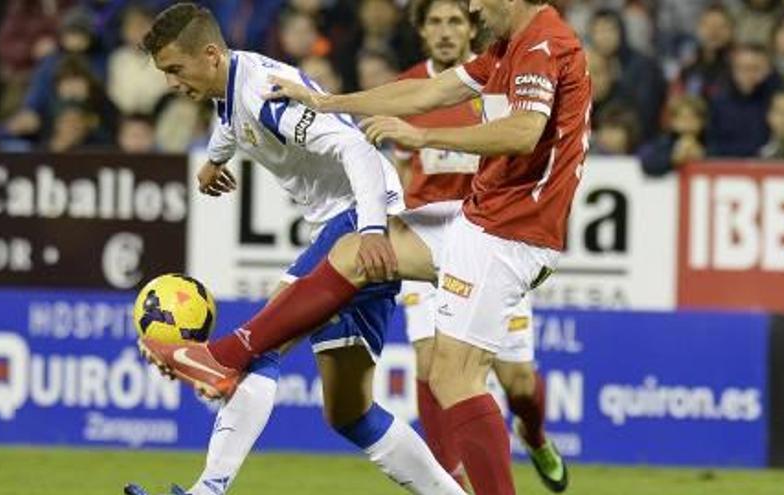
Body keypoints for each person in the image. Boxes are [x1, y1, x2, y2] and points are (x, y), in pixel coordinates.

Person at [141, 1, 590, 493]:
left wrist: (417, 145)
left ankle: (221, 385)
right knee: (351, 356)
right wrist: (328, 102)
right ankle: (226, 361)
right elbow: (431, 89)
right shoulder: (509, 47)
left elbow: (524, 133)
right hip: (478, 219)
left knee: (451, 376)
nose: (475, 8)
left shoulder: (545, 45)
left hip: (509, 233)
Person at [126, 4, 465, 495]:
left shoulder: (266, 97)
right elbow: (230, 120)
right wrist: (213, 161)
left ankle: (208, 489)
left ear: (211, 54)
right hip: (347, 219)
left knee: (258, 347)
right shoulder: (233, 83)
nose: (172, 83)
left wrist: (371, 230)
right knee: (351, 413)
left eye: (176, 70)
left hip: (355, 217)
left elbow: (359, 150)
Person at [394, 0, 566, 491]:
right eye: (435, 22)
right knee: (431, 362)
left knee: (517, 383)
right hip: (431, 237)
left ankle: (533, 434)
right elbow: (403, 166)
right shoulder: (413, 87)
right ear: (422, 31)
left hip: (493, 238)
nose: (445, 31)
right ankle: (456, 478)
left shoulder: (501, 76)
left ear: (471, 26)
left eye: (454, 21)